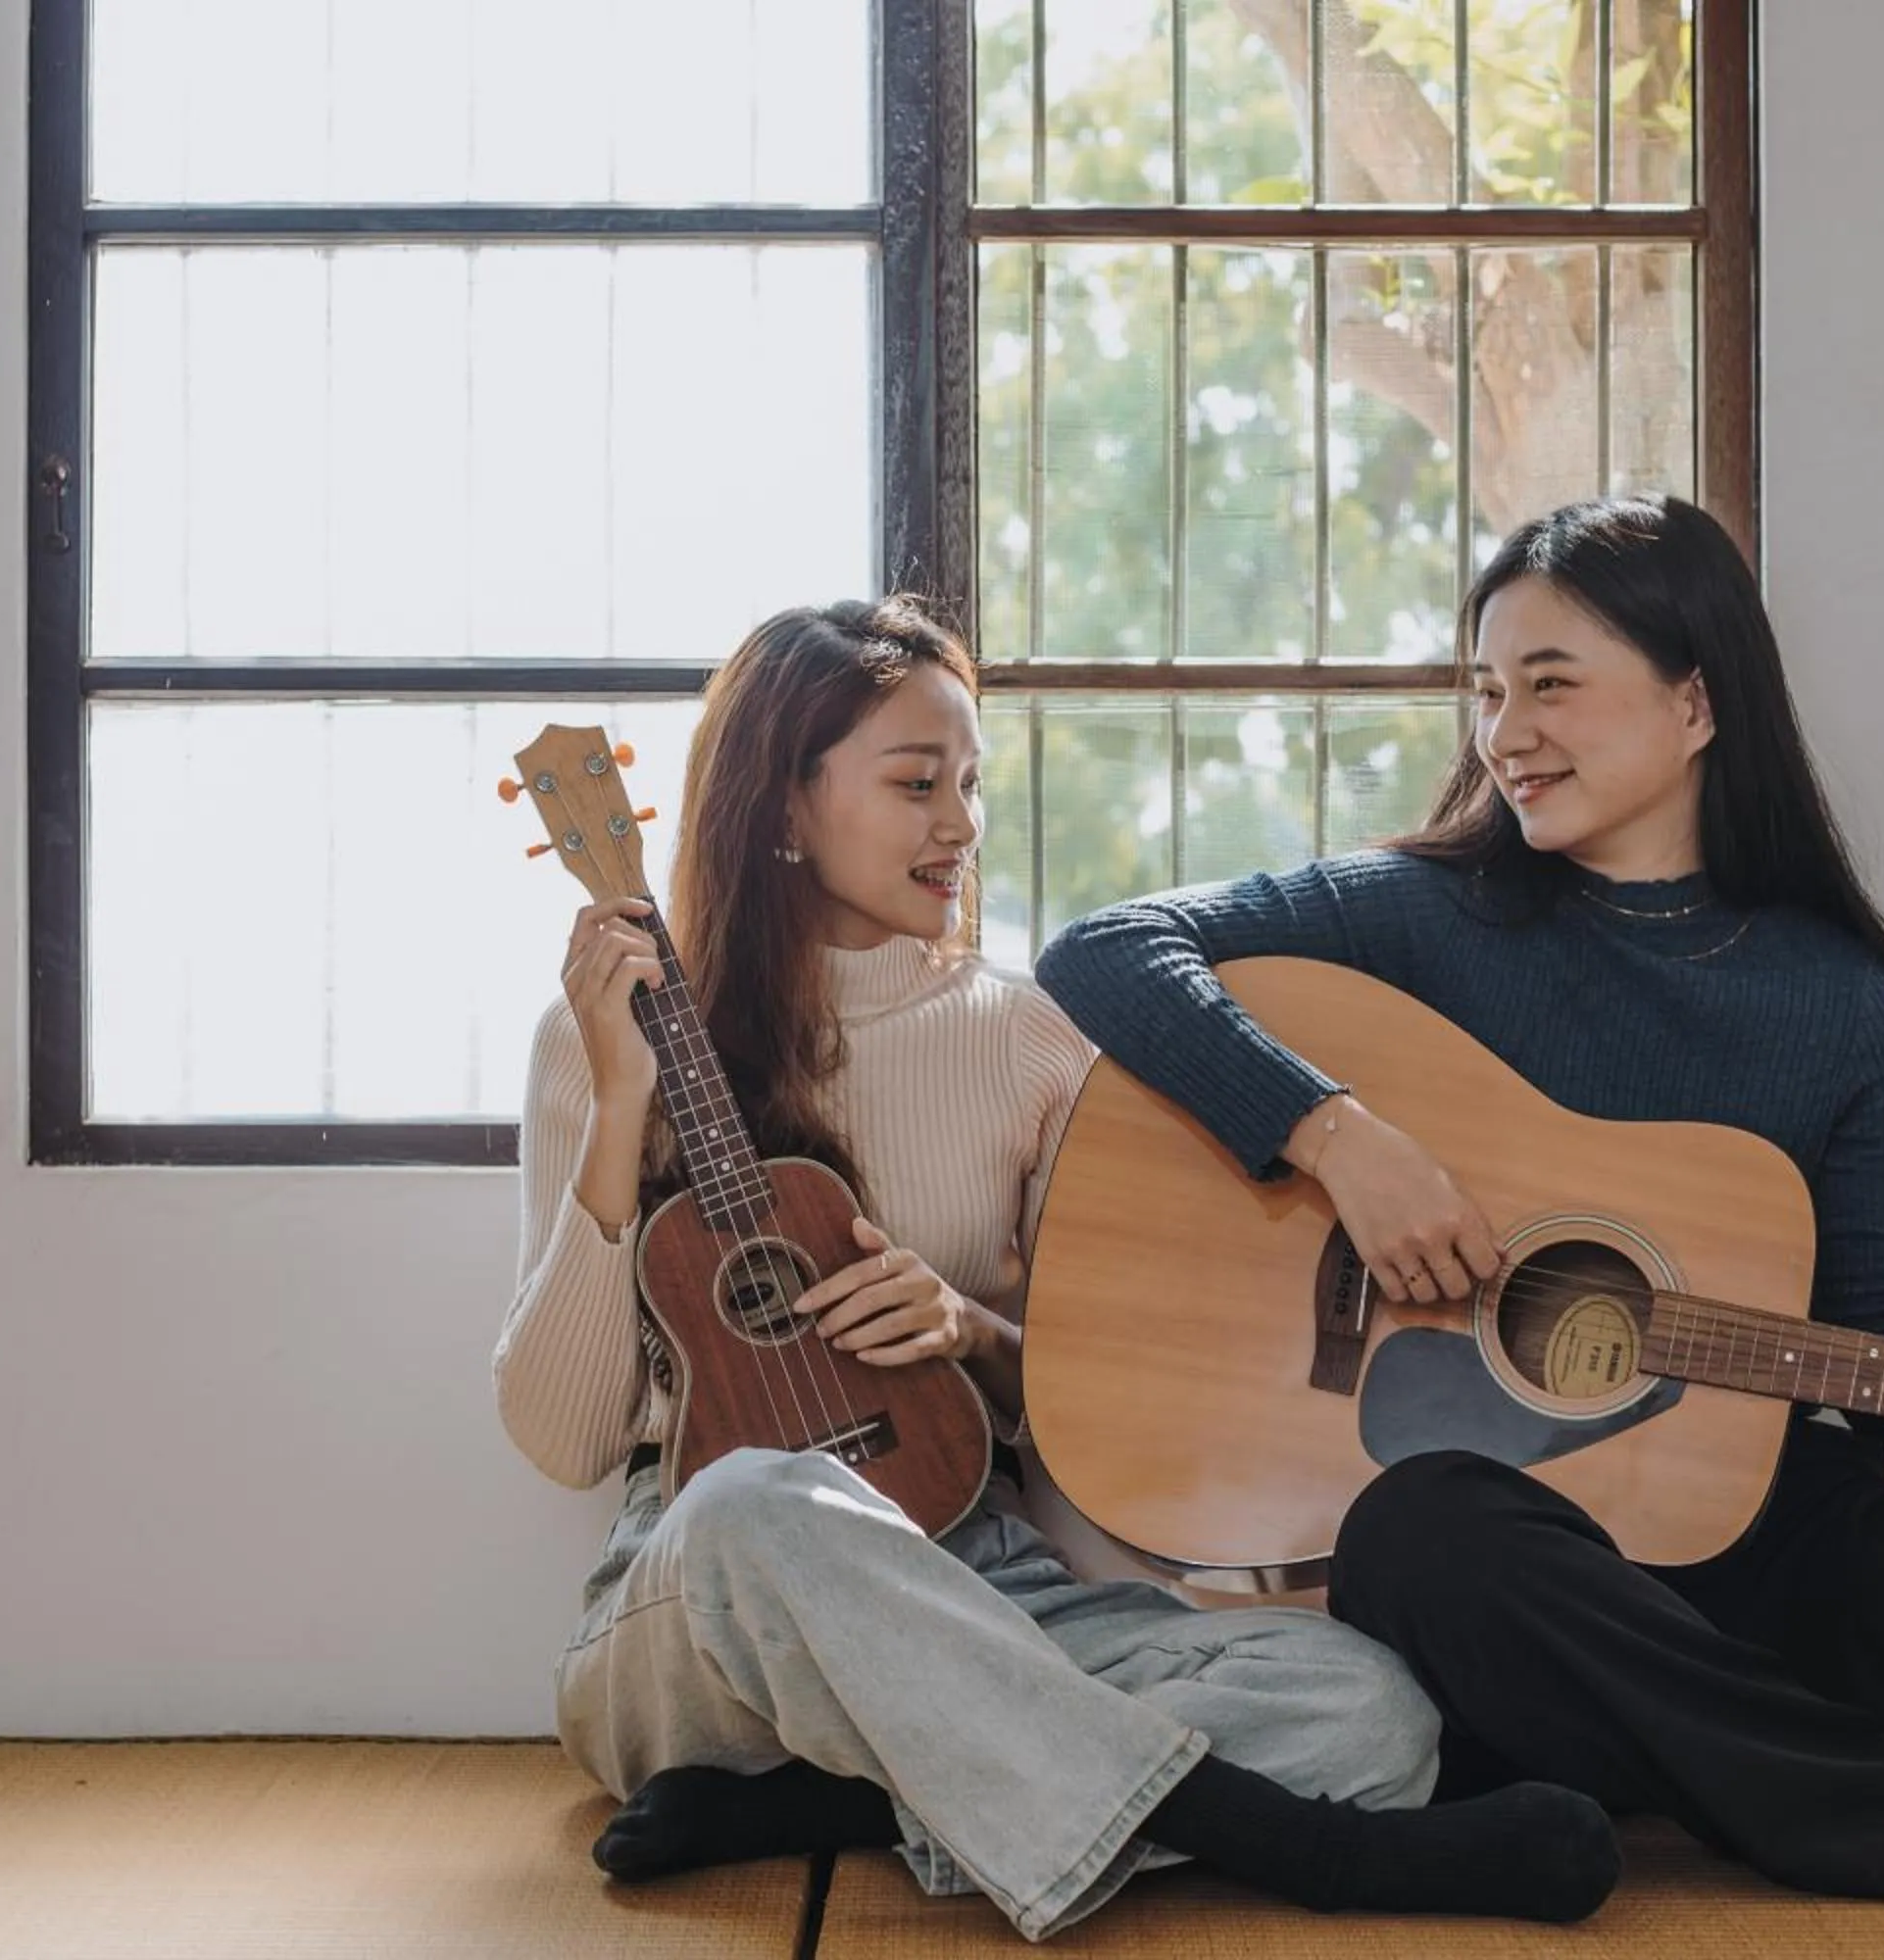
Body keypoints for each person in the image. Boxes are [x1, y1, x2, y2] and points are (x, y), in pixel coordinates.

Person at [1034, 497, 1884, 1899]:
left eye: (1553, 685)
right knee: (1421, 1535)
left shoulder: (1845, 1009)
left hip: (1758, 1521)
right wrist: (1335, 1137)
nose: (1506, 732)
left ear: (1697, 701)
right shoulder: (1413, 914)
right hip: (1530, 1570)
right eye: (1489, 691)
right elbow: (1107, 946)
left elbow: (1883, 1345)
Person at [493, 596, 1621, 1940]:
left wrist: (969, 1328)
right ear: (782, 807)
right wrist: (620, 1106)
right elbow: (563, 1440)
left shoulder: (1026, 1039)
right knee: (759, 1500)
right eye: (918, 785)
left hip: (980, 1569)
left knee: (1366, 1707)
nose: (960, 824)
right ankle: (1295, 1850)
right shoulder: (600, 1046)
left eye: (970, 782)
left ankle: (856, 1803)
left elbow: (1105, 1393)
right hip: (708, 1609)